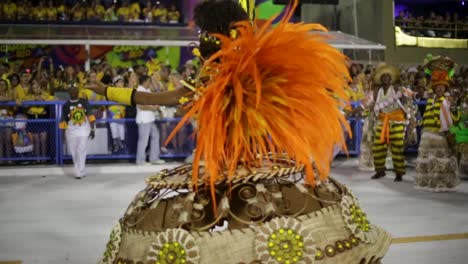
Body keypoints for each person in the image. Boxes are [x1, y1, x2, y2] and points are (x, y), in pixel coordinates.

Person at [91, 1, 391, 263]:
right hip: (256, 160)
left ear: (214, 33)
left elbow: (166, 99)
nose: (197, 39)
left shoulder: (218, 72)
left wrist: (108, 91)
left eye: (202, 32)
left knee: (223, 216)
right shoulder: (252, 67)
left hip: (224, 162)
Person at [415, 56, 461, 192]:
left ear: (445, 88)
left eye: (442, 87)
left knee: (439, 163)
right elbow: (425, 115)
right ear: (434, 88)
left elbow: (455, 119)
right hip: (427, 135)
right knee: (428, 162)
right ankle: (428, 182)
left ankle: (440, 184)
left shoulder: (447, 101)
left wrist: (453, 107)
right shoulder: (431, 100)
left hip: (439, 136)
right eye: (438, 87)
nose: (440, 89)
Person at [371, 65, 411, 182]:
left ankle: (399, 173)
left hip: (396, 121)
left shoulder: (396, 88)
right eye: (383, 77)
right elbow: (374, 104)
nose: (385, 78)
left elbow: (407, 97)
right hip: (382, 121)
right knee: (378, 147)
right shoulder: (377, 91)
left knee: (397, 147)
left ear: (391, 79)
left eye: (387, 77)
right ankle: (380, 170)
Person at [59, 84, 95, 179]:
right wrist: (62, 133)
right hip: (71, 130)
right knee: (74, 151)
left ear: (78, 91)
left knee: (81, 150)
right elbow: (63, 120)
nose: (73, 92)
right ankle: (78, 170)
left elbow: (90, 115)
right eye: (71, 90)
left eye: (75, 90)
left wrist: (93, 129)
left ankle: (80, 170)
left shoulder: (84, 102)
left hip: (84, 129)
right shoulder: (66, 105)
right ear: (68, 92)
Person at [135, 75, 164, 165]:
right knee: (143, 140)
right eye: (149, 82)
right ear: (145, 82)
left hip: (151, 118)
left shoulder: (147, 90)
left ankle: (154, 158)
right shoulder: (139, 91)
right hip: (144, 119)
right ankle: (140, 160)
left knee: (156, 136)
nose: (150, 83)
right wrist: (153, 108)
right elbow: (140, 106)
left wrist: (156, 107)